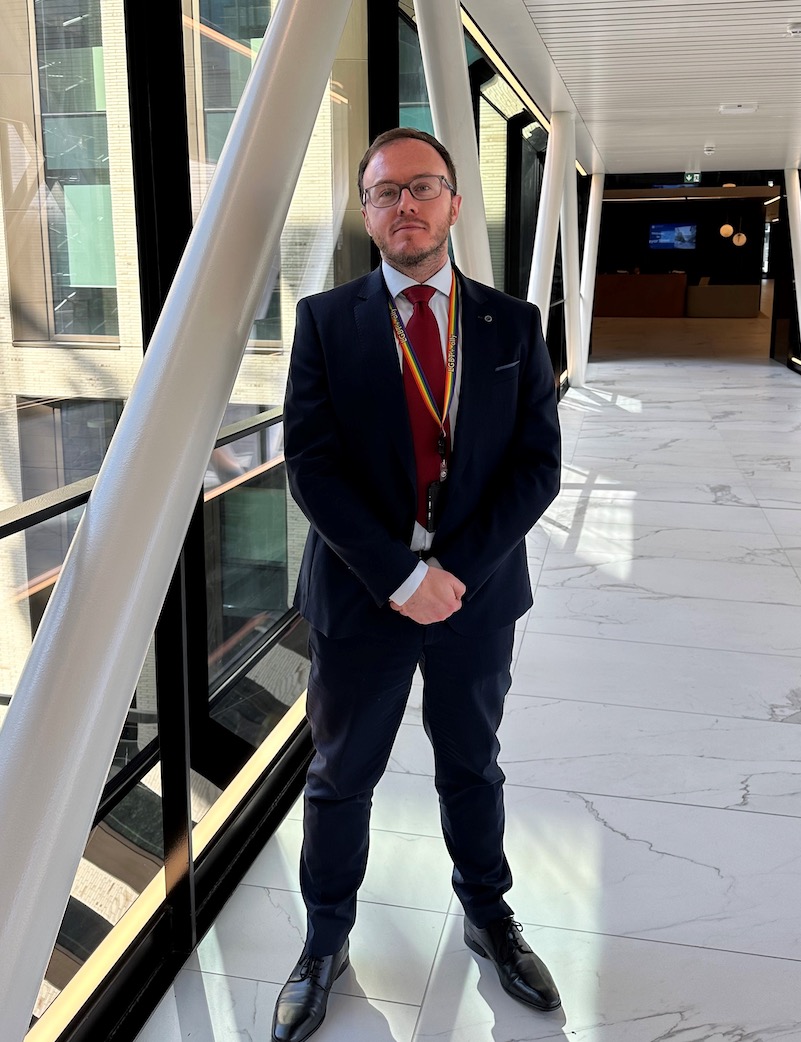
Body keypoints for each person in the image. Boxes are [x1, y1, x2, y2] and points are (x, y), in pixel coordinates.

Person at [273, 127, 562, 1042]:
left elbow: (537, 468)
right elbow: (312, 467)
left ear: (454, 204)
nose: (407, 205)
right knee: (340, 775)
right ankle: (324, 943)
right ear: (366, 214)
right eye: (387, 192)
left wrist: (452, 576)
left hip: (475, 601)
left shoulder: (512, 324)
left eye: (424, 188)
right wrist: (401, 576)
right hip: (364, 598)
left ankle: (489, 915)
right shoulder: (325, 322)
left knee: (470, 763)